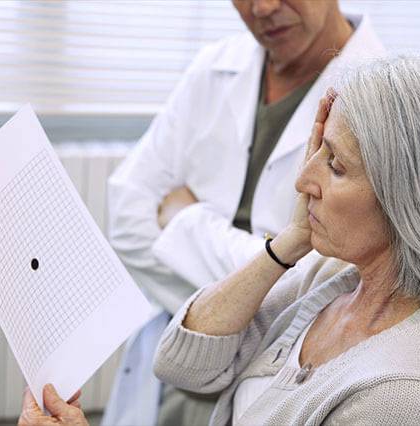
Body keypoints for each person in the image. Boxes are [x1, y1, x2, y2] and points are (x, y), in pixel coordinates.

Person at [18, 53, 420, 425]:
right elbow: (183, 364)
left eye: (334, 165)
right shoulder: (331, 277)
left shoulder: (402, 395)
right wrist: (291, 241)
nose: (302, 179)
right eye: (317, 151)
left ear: (407, 197)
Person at [103, 1, 384, 424]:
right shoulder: (213, 67)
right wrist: (270, 271)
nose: (263, 7)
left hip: (276, 390)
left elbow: (338, 285)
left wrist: (186, 221)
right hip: (172, 370)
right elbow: (126, 220)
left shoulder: (389, 102)